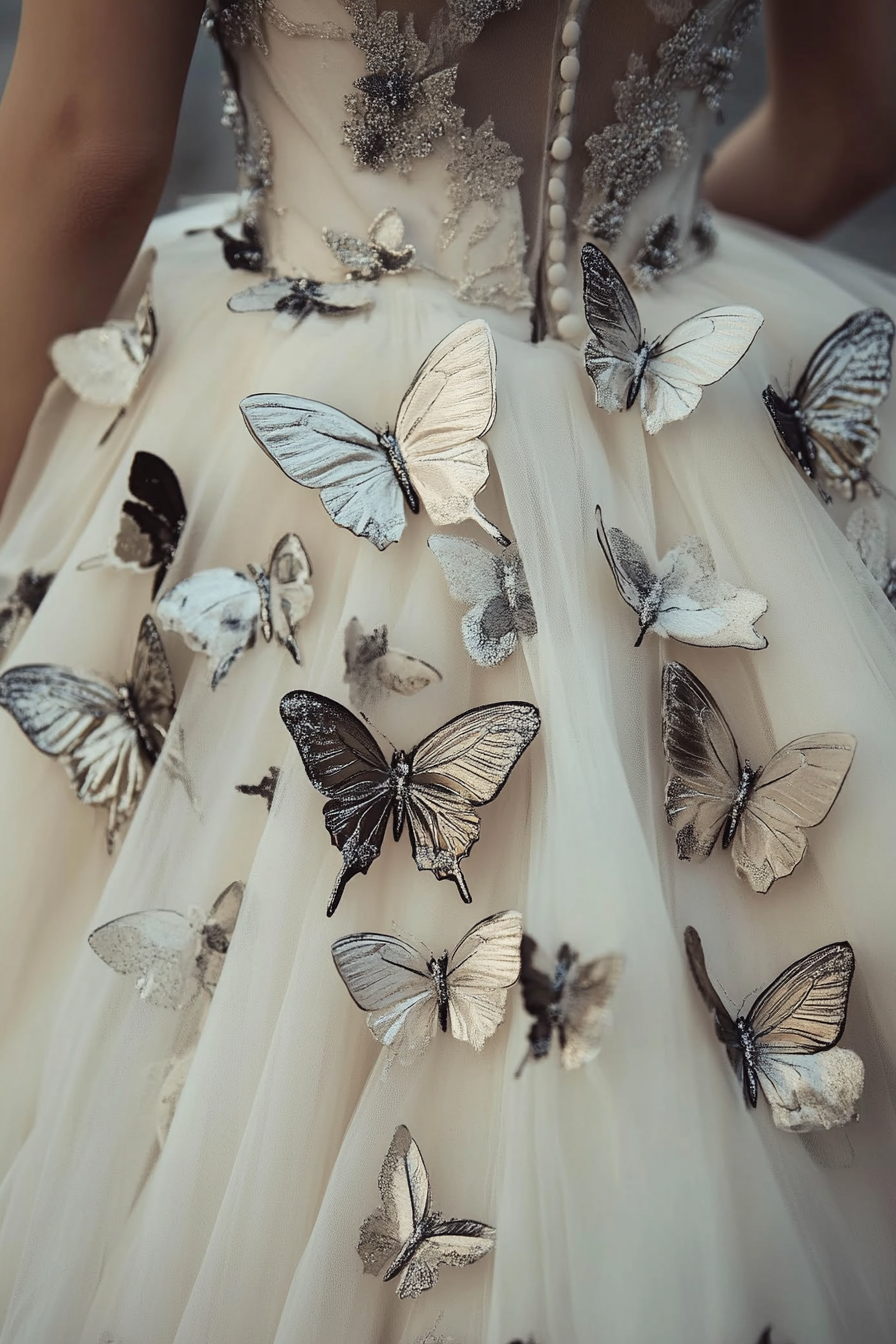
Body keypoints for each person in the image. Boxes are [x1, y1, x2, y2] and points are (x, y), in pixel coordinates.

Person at [0, 0, 895, 1340]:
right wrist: (616, 300)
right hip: (687, 433)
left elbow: (87, 145)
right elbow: (856, 114)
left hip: (303, 450)